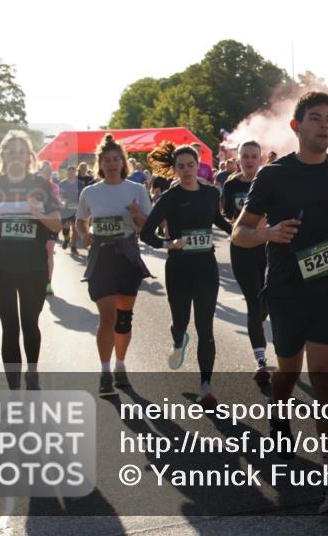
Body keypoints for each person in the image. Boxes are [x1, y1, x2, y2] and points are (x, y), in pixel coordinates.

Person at [232, 91, 328, 514]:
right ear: (297, 127)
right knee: (288, 370)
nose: (325, 126)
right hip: (287, 289)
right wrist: (266, 234)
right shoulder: (274, 176)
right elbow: (240, 232)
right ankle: (279, 410)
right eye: (316, 118)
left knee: (327, 381)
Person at [0, 130, 61, 389]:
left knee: (30, 322)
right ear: (3, 155)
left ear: (29, 156)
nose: (16, 156)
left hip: (33, 265)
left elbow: (57, 224)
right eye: (11, 151)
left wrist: (36, 214)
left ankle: (32, 372)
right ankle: (14, 389)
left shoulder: (40, 185)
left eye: (21, 151)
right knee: (9, 326)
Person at [141, 143, 232, 406]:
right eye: (180, 166)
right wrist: (167, 243)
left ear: (198, 164)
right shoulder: (170, 197)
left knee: (206, 327)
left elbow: (216, 218)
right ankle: (179, 339)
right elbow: (146, 233)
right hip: (179, 267)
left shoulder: (211, 193)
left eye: (190, 165)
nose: (186, 170)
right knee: (180, 320)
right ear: (174, 169)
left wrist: (233, 228)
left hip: (206, 266)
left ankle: (206, 384)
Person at [75, 135, 153, 394]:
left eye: (115, 159)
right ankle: (105, 371)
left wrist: (136, 214)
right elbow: (80, 220)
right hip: (102, 256)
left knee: (123, 318)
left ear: (123, 162)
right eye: (106, 160)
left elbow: (147, 226)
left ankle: (121, 366)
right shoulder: (90, 192)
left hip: (127, 256)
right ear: (100, 164)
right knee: (106, 316)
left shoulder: (136, 190)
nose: (111, 164)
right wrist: (84, 234)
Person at [221, 140, 270, 384]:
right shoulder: (230, 185)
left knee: (266, 300)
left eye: (254, 156)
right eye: (245, 156)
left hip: (268, 248)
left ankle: (261, 314)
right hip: (242, 249)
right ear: (238, 159)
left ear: (260, 159)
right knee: (253, 300)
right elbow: (229, 215)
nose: (249, 160)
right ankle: (261, 360)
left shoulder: (270, 181)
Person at [38, 160, 62, 296]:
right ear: (40, 171)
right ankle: (36, 280)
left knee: (49, 252)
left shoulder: (54, 187)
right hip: (38, 223)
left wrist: (60, 203)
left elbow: (57, 201)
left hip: (51, 223)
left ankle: (48, 283)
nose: (47, 173)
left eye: (49, 170)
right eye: (44, 170)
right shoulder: (34, 186)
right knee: (38, 252)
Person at [59, 165, 81, 255]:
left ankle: (73, 247)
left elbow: (83, 196)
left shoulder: (80, 184)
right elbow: (58, 195)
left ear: (75, 173)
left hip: (77, 209)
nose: (71, 173)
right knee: (65, 229)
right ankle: (67, 239)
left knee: (75, 229)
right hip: (65, 209)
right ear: (67, 173)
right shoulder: (62, 183)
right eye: (69, 172)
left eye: (73, 172)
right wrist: (62, 200)